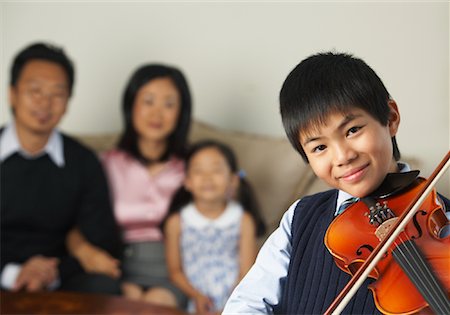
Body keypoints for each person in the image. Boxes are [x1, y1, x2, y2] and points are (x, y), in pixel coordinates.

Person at [223, 52, 450, 314]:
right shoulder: (299, 219)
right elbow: (246, 305)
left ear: (390, 118)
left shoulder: (441, 220)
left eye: (352, 130)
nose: (343, 156)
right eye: (320, 147)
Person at [0, 42, 122, 294]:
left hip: (61, 279)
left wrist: (51, 273)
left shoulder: (84, 161)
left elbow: (102, 238)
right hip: (2, 272)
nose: (45, 103)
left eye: (57, 93)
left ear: (67, 102)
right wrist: (13, 273)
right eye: (35, 90)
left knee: (104, 286)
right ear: (12, 93)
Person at [70, 63, 193, 307]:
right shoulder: (104, 164)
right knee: (128, 304)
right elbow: (71, 221)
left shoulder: (193, 169)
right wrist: (85, 251)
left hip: (175, 270)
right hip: (119, 269)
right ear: (131, 105)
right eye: (148, 101)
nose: (157, 113)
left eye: (169, 104)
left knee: (156, 304)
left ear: (181, 113)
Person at [163, 140, 266, 315]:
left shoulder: (243, 220)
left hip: (237, 300)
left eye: (216, 170)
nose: (207, 177)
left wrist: (229, 305)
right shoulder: (176, 222)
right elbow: (175, 272)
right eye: (198, 171)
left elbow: (247, 271)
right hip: (195, 301)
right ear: (187, 181)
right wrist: (197, 296)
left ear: (233, 180)